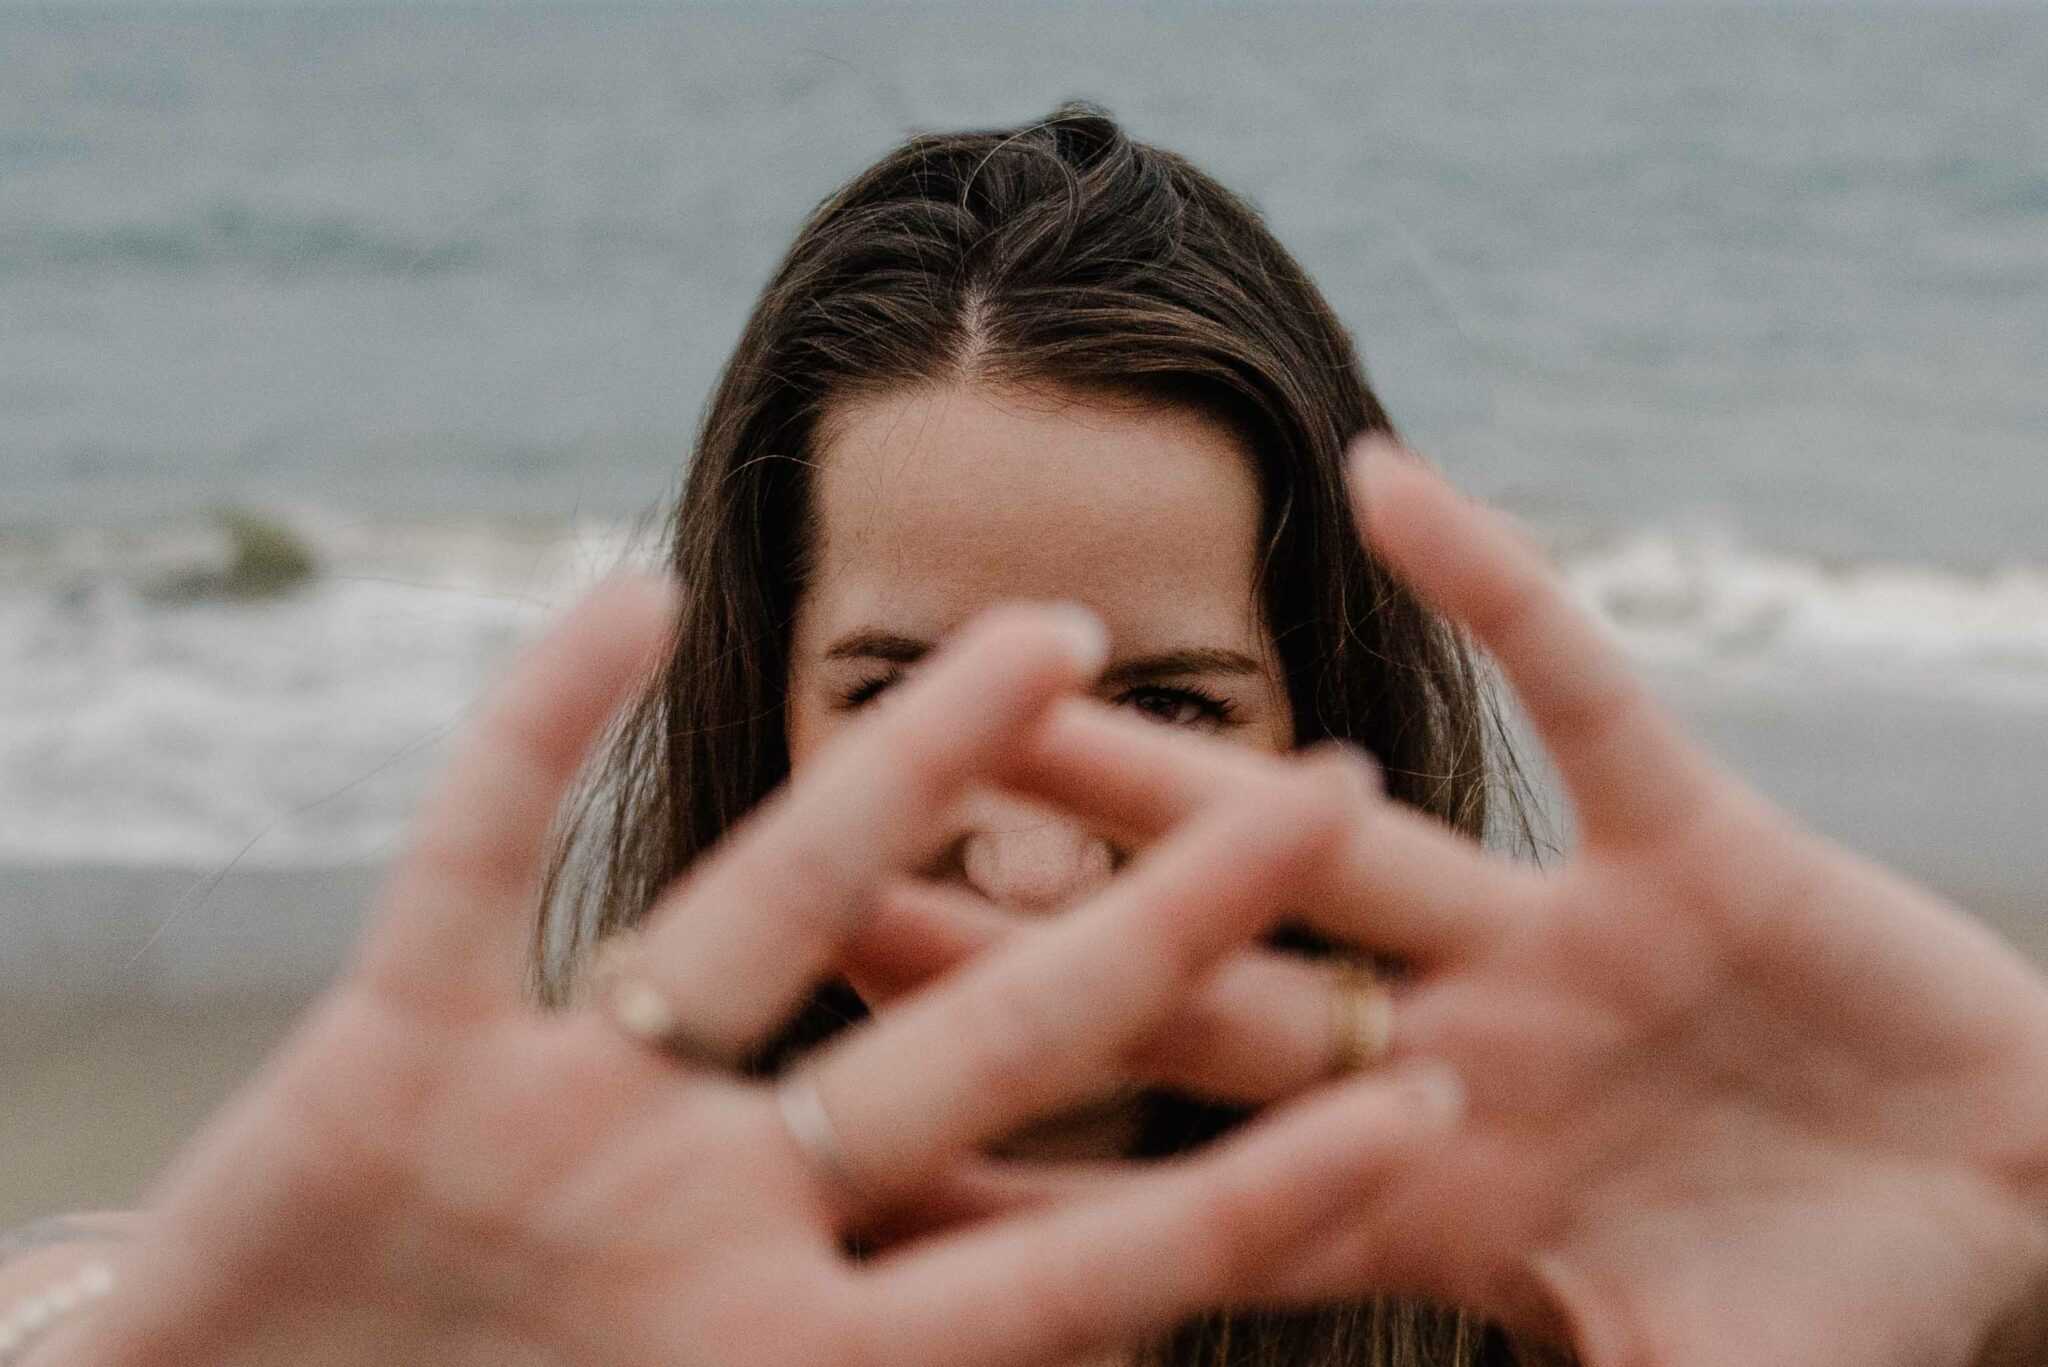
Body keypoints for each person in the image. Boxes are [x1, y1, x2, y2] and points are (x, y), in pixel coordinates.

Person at [5, 105, 2048, 1367]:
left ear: (1326, 717)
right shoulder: (447, 1317)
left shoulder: (1605, 1291)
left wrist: (2006, 1215)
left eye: (1163, 710)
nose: (1036, 858)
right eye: (905, 702)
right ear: (759, 708)